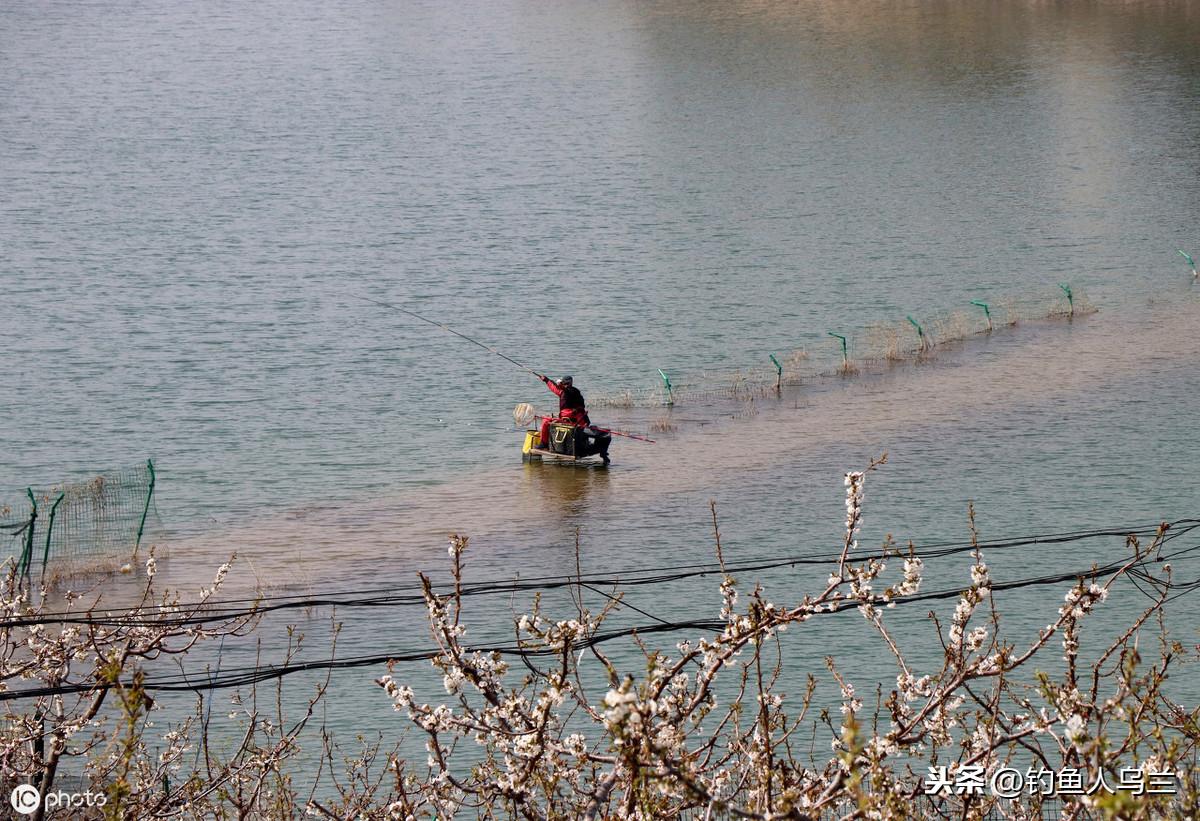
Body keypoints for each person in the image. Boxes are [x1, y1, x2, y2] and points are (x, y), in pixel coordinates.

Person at [538, 375, 610, 464]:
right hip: (576, 426)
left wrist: (547, 380)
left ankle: (543, 443)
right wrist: (546, 380)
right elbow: (554, 387)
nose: (565, 386)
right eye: (565, 384)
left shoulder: (571, 392)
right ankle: (603, 452)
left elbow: (558, 388)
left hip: (578, 427)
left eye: (566, 384)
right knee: (605, 435)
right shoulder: (565, 392)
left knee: (545, 420)